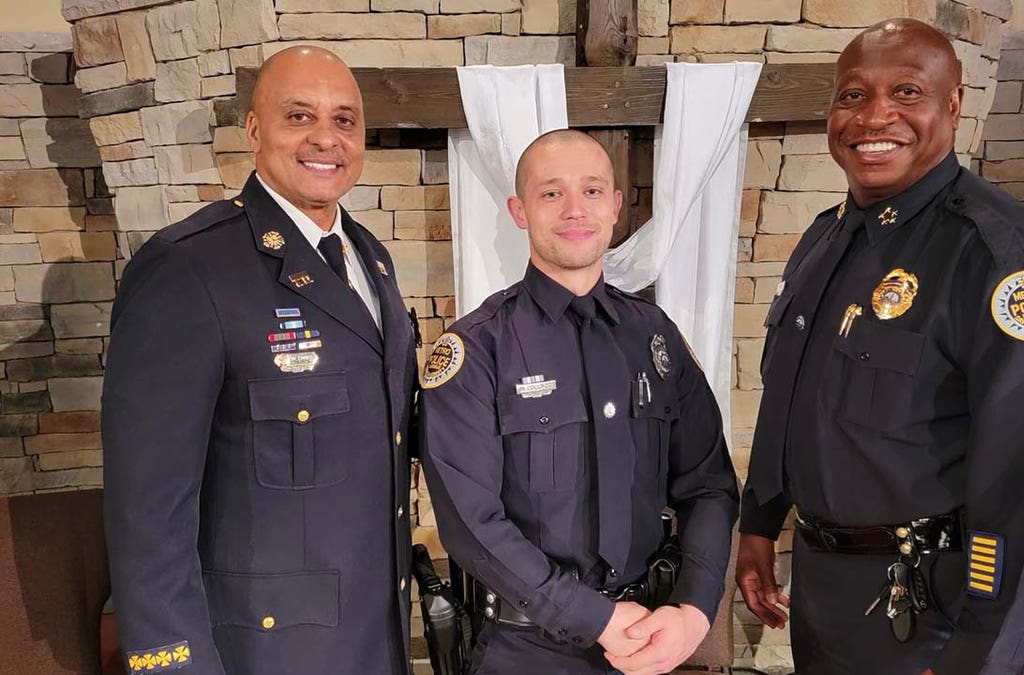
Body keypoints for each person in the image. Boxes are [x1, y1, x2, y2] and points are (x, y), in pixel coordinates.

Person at [736, 18, 1024, 675]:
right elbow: (791, 395)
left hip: (938, 610)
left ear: (954, 103)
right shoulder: (825, 241)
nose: (875, 115)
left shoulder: (1009, 264)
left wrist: (976, 651)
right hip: (828, 600)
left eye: (907, 92)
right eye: (853, 95)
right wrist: (759, 521)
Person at [102, 46, 419, 675]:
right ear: (253, 131)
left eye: (345, 120)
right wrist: (174, 664)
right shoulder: (190, 270)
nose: (326, 138)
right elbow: (148, 509)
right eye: (299, 116)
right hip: (263, 651)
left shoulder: (369, 257)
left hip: (375, 638)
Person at [419, 129, 740, 675]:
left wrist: (693, 610)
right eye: (551, 193)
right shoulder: (477, 350)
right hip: (524, 650)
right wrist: (594, 618)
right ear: (519, 211)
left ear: (615, 207)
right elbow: (472, 526)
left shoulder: (653, 336)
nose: (575, 209)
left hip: (649, 636)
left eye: (592, 191)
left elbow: (708, 484)